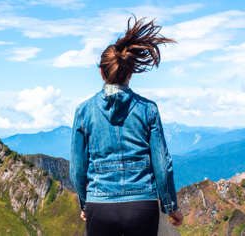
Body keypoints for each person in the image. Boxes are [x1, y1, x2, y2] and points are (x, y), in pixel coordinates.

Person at [70, 16, 183, 236]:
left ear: (102, 73)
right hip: (142, 205)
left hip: (99, 205)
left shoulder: (83, 111)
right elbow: (162, 165)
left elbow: (76, 169)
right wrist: (170, 207)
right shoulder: (148, 109)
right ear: (130, 74)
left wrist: (86, 204)